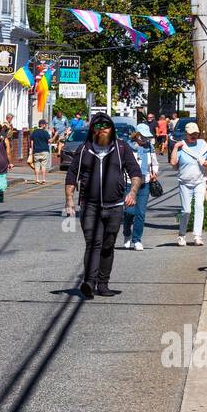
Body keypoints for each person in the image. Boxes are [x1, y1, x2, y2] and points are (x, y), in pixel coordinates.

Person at [64, 113, 142, 298]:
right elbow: (71, 176)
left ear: (111, 128)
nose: (102, 130)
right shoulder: (84, 150)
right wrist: (69, 201)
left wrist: (133, 192)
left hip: (115, 206)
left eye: (105, 126)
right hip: (90, 206)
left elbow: (135, 172)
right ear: (92, 129)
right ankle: (89, 283)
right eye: (98, 127)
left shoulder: (121, 148)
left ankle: (103, 283)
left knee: (108, 245)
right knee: (93, 243)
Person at [171, 121, 207, 246]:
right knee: (186, 210)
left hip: (200, 181)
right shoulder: (182, 147)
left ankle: (197, 236)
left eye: (196, 134)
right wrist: (176, 147)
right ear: (186, 134)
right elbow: (173, 163)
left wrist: (206, 162)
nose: (194, 136)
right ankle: (182, 235)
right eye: (191, 134)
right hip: (185, 182)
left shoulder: (203, 145)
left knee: (199, 206)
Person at [122, 123, 159, 250]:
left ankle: (137, 239)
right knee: (129, 212)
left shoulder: (150, 147)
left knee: (140, 213)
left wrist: (154, 173)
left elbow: (154, 163)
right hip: (129, 184)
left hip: (145, 183)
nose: (145, 139)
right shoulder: (127, 146)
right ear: (136, 135)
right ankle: (127, 234)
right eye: (142, 136)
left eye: (146, 137)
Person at [30, 118, 53, 184]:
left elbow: (32, 142)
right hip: (44, 151)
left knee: (36, 165)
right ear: (42, 125)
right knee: (43, 165)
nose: (45, 126)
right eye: (45, 124)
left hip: (36, 151)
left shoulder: (34, 132)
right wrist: (56, 135)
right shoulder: (45, 132)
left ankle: (37, 179)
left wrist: (32, 150)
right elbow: (49, 141)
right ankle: (43, 179)